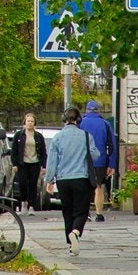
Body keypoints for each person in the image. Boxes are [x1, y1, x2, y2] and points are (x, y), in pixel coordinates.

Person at [43, 106, 92, 254]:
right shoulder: (85, 136)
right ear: (78, 120)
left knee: (67, 211)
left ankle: (71, 245)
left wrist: (49, 180)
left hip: (63, 180)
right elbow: (95, 154)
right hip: (81, 177)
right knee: (81, 210)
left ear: (64, 120)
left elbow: (52, 161)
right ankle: (76, 232)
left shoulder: (57, 138)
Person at [80, 98, 117, 221]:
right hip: (100, 160)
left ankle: (85, 214)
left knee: (84, 188)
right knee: (98, 187)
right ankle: (99, 214)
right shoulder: (105, 124)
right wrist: (111, 164)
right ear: (98, 110)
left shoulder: (81, 123)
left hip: (83, 160)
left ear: (86, 110)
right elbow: (111, 145)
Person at [10, 113, 47, 214]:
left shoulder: (39, 136)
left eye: (32, 121)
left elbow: (43, 151)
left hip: (34, 163)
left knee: (33, 185)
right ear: (24, 122)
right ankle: (24, 202)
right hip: (23, 163)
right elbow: (14, 151)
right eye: (28, 121)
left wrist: (44, 166)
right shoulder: (19, 135)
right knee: (23, 184)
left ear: (34, 123)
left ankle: (31, 206)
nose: (30, 123)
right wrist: (14, 164)